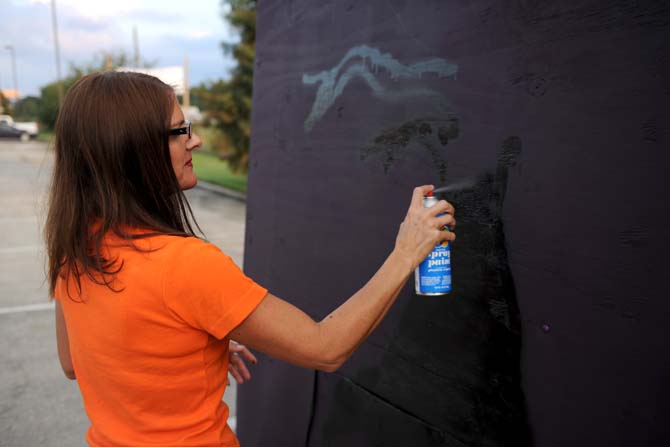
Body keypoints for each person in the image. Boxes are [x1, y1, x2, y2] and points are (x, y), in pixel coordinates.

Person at [46, 71, 456, 447]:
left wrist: (185, 345)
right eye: (180, 131)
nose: (196, 141)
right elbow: (326, 347)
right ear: (134, 150)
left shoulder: (77, 248)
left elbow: (73, 362)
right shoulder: (185, 264)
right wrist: (406, 253)